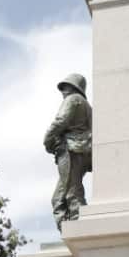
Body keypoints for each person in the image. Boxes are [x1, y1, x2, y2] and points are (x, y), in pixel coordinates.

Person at [44, 73, 93, 230]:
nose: (63, 91)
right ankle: (70, 230)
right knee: (61, 197)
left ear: (73, 88)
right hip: (83, 150)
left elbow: (60, 121)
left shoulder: (73, 100)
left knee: (71, 195)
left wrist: (47, 140)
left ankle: (80, 230)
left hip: (71, 150)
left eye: (66, 87)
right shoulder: (87, 106)